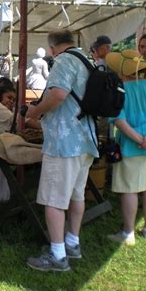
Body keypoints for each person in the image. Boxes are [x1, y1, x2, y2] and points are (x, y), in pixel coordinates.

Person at [25, 30, 98, 272]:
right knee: (77, 195)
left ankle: (58, 255)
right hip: (86, 138)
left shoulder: (64, 61)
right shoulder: (87, 60)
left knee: (54, 199)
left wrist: (35, 112)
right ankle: (72, 243)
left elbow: (58, 94)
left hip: (65, 141)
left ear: (53, 47)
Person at [105, 50, 146, 245]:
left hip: (131, 147)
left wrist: (140, 139)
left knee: (130, 190)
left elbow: (119, 121)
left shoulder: (120, 91)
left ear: (121, 71)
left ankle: (128, 233)